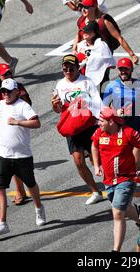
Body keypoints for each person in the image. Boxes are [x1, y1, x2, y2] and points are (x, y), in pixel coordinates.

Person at [0, 78, 46, 236]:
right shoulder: (1, 104)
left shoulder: (23, 106)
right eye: (3, 92)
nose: (5, 94)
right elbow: (2, 117)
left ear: (16, 91)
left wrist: (18, 122)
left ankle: (39, 208)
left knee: (31, 184)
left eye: (8, 91)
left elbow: (37, 123)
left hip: (22, 155)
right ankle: (2, 223)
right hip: (4, 155)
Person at [91, 106, 140, 252]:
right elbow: (94, 146)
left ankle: (115, 250)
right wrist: (96, 165)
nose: (98, 123)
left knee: (118, 213)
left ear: (111, 122)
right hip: (108, 181)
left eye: (101, 121)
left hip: (126, 180)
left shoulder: (128, 133)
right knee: (123, 208)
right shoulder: (100, 132)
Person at [51, 54, 104, 205]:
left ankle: (112, 184)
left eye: (71, 68)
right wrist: (55, 105)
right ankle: (95, 191)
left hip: (89, 126)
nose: (68, 71)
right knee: (79, 161)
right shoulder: (60, 84)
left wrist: (101, 119)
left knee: (97, 161)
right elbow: (58, 109)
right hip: (73, 127)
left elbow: (97, 102)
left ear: (78, 68)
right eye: (65, 69)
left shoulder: (87, 82)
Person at [0, 63, 31, 206]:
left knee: (19, 161)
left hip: (19, 126)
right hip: (5, 129)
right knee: (11, 161)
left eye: (10, 73)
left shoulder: (17, 86)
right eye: (5, 74)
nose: (9, 76)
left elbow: (27, 104)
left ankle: (26, 189)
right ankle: (20, 190)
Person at [103, 57, 140, 168]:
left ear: (131, 70)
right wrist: (115, 112)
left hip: (138, 126)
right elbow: (104, 107)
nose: (123, 72)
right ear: (118, 70)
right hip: (120, 128)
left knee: (133, 161)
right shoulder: (111, 86)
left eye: (126, 69)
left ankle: (136, 179)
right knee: (127, 161)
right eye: (121, 69)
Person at [73, 0, 139, 65]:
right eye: (82, 7)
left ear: (94, 7)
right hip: (87, 52)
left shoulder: (104, 22)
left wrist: (132, 55)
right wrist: (74, 50)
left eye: (87, 7)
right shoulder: (81, 20)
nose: (83, 9)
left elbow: (119, 38)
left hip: (102, 55)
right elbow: (78, 35)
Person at [76, 21, 116, 93]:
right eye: (84, 30)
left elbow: (111, 65)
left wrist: (88, 59)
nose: (84, 32)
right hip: (83, 81)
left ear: (95, 33)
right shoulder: (81, 45)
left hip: (100, 81)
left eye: (88, 31)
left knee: (102, 102)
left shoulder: (101, 46)